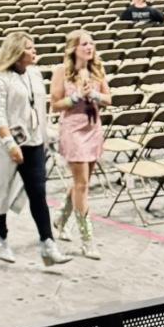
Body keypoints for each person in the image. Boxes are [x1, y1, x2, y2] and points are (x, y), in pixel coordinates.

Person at [0, 31, 69, 267]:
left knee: (38, 193)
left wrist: (46, 135)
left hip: (34, 142)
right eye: (29, 47)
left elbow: (39, 108)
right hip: (7, 145)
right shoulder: (0, 79)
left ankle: (48, 243)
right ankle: (2, 238)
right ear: (17, 52)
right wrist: (10, 143)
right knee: (0, 193)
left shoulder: (35, 73)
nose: (34, 50)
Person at [51, 30, 110, 260]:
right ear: (73, 48)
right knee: (82, 185)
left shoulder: (97, 70)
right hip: (73, 130)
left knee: (81, 183)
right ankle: (87, 240)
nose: (89, 47)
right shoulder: (61, 71)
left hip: (93, 128)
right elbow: (55, 104)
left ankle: (61, 218)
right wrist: (76, 97)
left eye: (91, 43)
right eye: (84, 44)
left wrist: (94, 95)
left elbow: (109, 99)